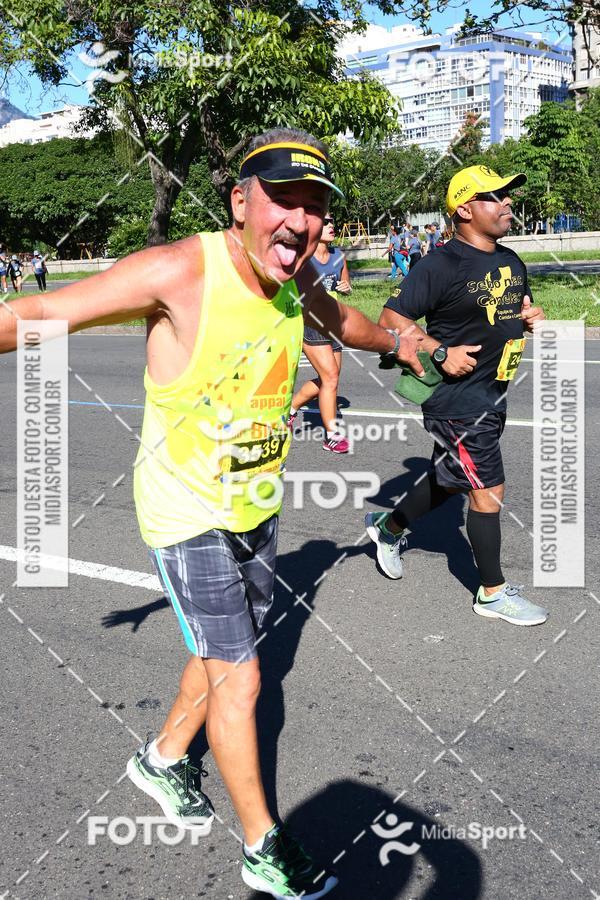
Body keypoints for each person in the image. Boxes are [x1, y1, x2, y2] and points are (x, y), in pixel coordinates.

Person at [0, 127, 423, 899]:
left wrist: (401, 338)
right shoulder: (178, 270)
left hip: (253, 506)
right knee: (243, 676)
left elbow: (343, 323)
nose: (300, 221)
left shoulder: (292, 281)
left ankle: (161, 758)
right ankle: (264, 848)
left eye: (316, 208)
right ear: (240, 201)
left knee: (221, 648)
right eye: (283, 200)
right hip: (183, 509)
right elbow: (33, 313)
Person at [365, 164, 549, 627]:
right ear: (465, 209)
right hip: (457, 403)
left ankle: (387, 529)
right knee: (487, 490)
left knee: (449, 482)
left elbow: (510, 309)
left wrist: (527, 318)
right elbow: (390, 319)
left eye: (507, 194)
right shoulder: (439, 265)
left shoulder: (510, 261)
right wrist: (438, 349)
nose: (506, 202)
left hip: (492, 393)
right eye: (495, 196)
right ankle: (492, 593)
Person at [289, 212, 352, 453]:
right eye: (325, 222)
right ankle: (332, 435)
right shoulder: (303, 258)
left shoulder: (339, 257)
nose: (331, 225)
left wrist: (345, 288)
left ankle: (291, 409)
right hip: (311, 321)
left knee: (329, 379)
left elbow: (345, 286)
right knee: (331, 378)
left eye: (332, 220)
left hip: (333, 320)